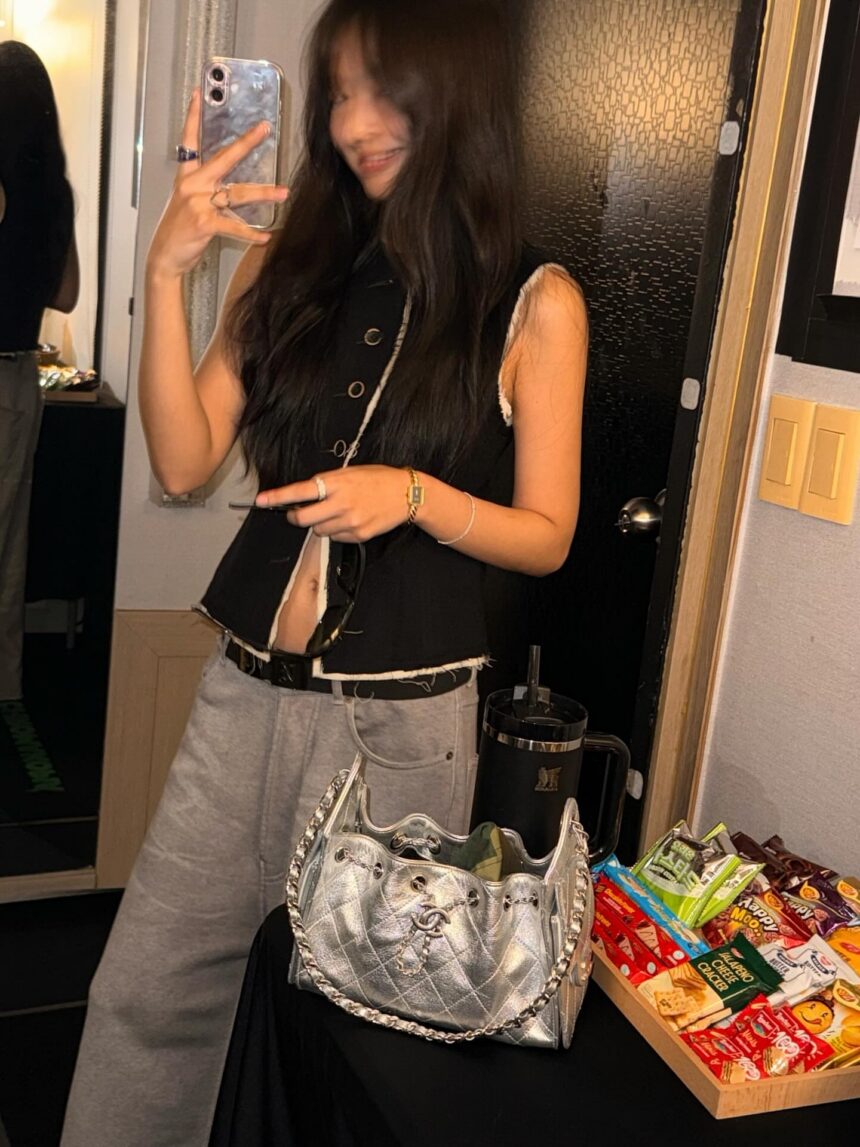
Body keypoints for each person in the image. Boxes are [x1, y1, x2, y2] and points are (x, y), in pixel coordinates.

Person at [62, 0, 587, 1143]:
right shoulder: (288, 265)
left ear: (456, 90)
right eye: (339, 92)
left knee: (348, 1052)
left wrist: (415, 497)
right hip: (241, 700)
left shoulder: (533, 301)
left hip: (401, 732)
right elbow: (183, 459)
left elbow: (547, 532)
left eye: (382, 90)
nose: (352, 122)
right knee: (145, 998)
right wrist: (166, 273)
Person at [0, 41, 79, 701]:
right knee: (7, 553)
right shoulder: (54, 191)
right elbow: (68, 294)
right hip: (19, 382)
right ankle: (5, 691)